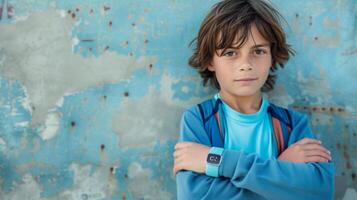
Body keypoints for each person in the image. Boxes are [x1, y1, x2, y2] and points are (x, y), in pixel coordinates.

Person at [173, 0, 335, 199]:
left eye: (258, 51)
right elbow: (196, 196)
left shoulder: (292, 124)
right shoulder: (198, 120)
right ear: (210, 61)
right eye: (231, 53)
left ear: (271, 56)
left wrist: (219, 161)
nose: (245, 65)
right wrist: (281, 169)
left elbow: (319, 192)